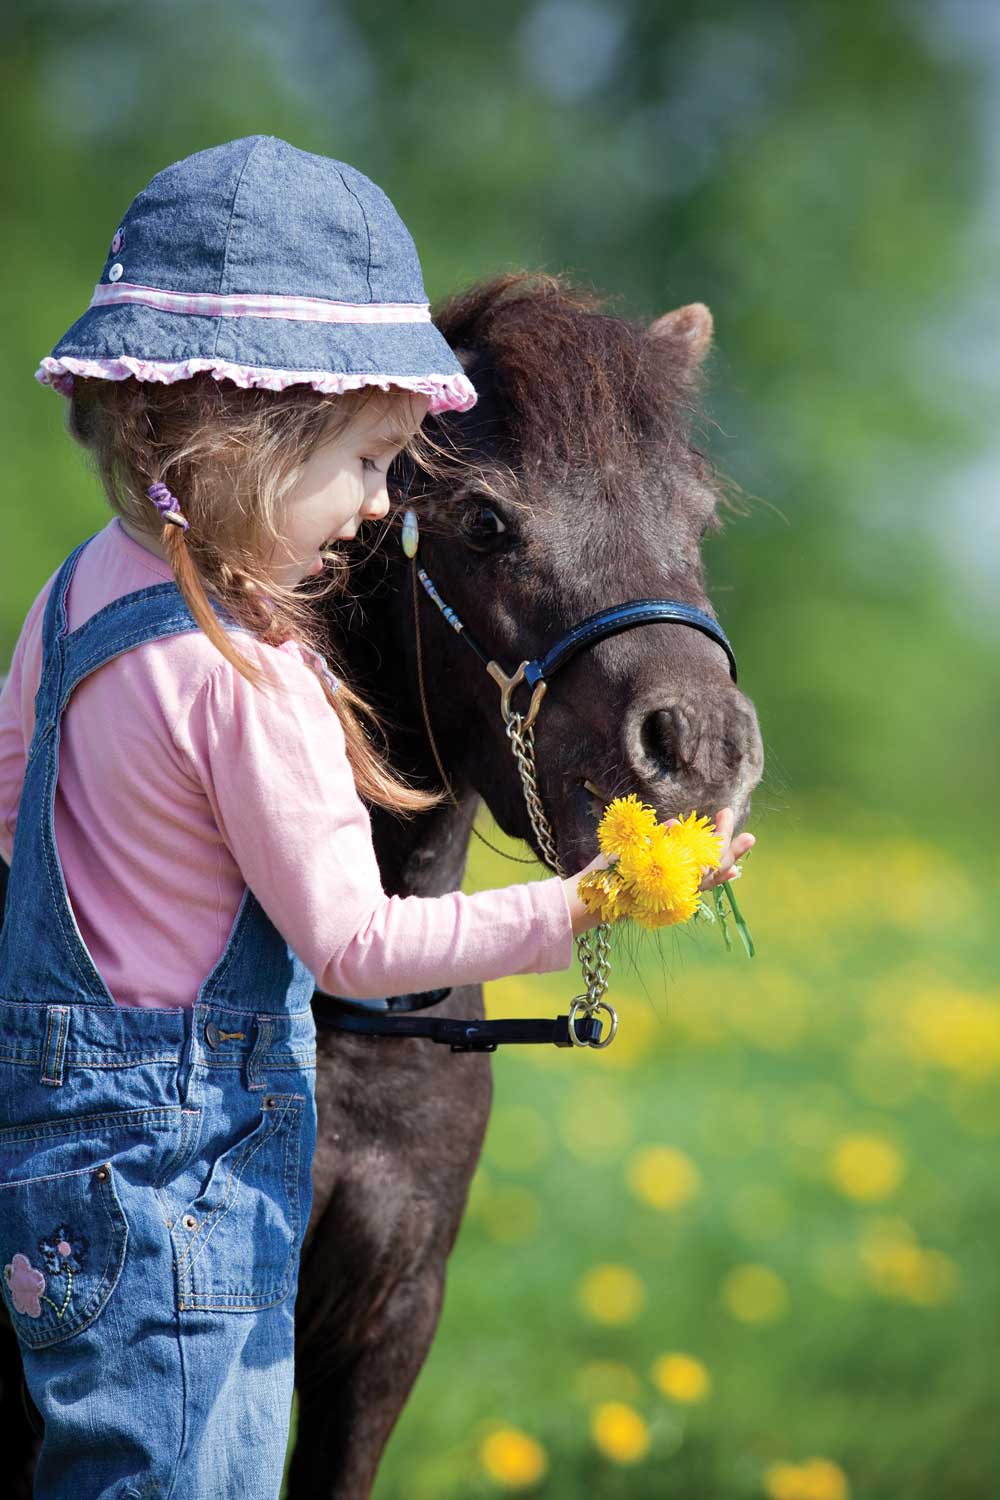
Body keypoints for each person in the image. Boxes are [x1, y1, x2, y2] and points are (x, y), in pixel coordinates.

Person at [0, 135, 753, 1499]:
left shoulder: (71, 597)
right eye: (368, 466)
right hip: (193, 1168)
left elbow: (13, 810)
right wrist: (582, 904)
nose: (373, 511)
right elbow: (349, 943)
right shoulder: (260, 683)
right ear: (253, 446)